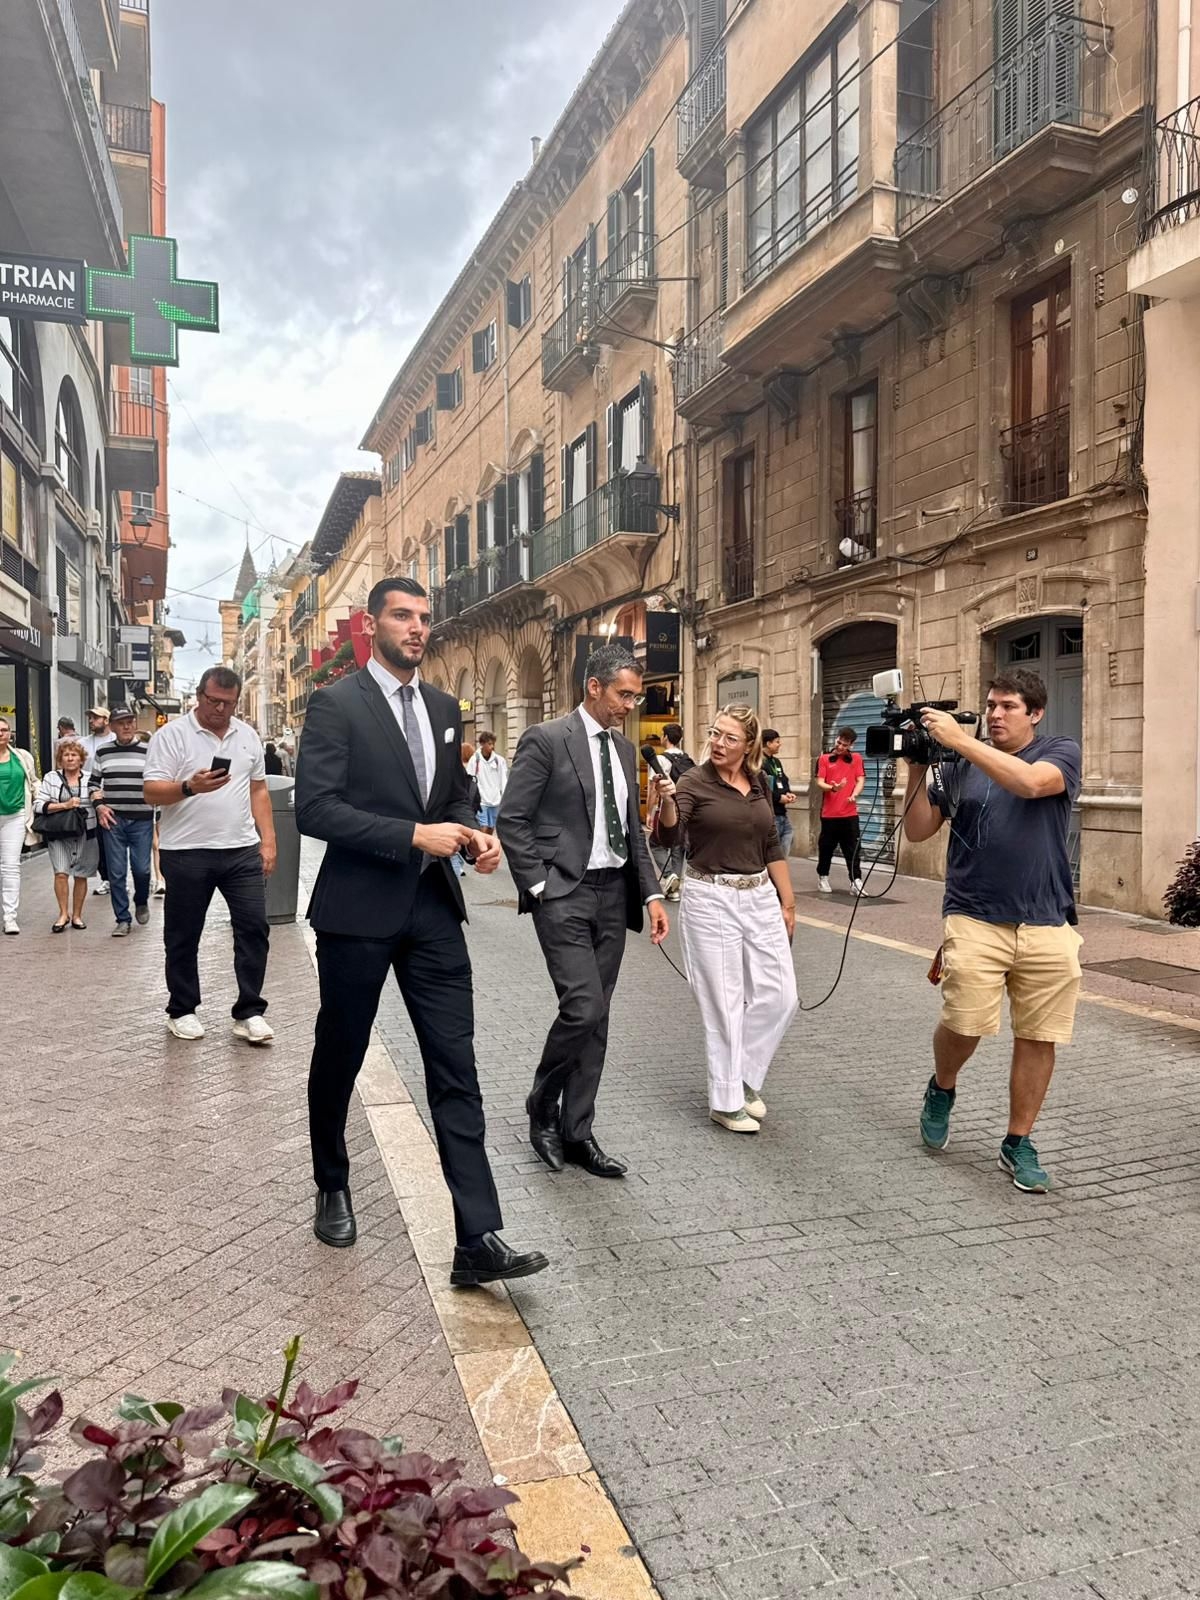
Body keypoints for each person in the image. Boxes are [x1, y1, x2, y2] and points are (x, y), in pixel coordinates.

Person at [296, 576, 547, 1286]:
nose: (416, 627)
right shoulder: (335, 703)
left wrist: (473, 834)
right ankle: (332, 1181)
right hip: (357, 911)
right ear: (370, 625)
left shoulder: (443, 707)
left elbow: (453, 795)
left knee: (455, 1066)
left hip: (433, 912)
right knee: (339, 1052)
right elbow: (316, 809)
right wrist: (414, 834)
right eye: (401, 616)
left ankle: (477, 1236)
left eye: (423, 617)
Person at [902, 668, 1082, 1193]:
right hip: (974, 914)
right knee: (965, 1021)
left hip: (1047, 918)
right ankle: (942, 1086)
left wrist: (960, 740)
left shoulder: (1060, 750)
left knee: (1039, 1034)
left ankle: (1018, 1142)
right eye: (991, 705)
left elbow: (1029, 784)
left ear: (1036, 713)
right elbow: (916, 832)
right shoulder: (959, 764)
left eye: (1008, 706)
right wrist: (919, 767)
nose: (996, 715)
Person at [497, 643, 668, 1179]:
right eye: (623, 694)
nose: (629, 705)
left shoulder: (621, 748)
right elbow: (513, 819)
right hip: (565, 895)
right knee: (583, 1008)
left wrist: (652, 892)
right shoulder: (546, 739)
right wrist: (541, 885)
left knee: (599, 1021)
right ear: (593, 687)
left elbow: (633, 829)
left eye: (635, 696)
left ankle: (577, 1132)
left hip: (613, 896)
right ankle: (541, 1106)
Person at [654, 705, 797, 1133]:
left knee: (781, 995)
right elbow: (669, 835)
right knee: (725, 1001)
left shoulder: (760, 782)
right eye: (715, 733)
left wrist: (787, 902)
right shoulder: (694, 781)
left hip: (760, 896)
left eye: (729, 738)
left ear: (748, 745)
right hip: (710, 896)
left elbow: (770, 841)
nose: (718, 743)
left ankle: (746, 1076)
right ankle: (725, 1098)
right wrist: (665, 805)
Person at [143, 666, 276, 1045]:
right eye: (212, 700)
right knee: (183, 934)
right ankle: (182, 1009)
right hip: (185, 852)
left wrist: (269, 841)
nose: (219, 709)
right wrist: (189, 786)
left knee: (254, 928)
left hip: (240, 851)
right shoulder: (172, 736)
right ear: (199, 694)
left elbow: (259, 792)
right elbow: (151, 792)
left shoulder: (247, 735)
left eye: (228, 703)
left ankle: (249, 1012)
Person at [91, 706, 154, 938]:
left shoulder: (149, 751)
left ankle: (141, 900)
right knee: (116, 873)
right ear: (113, 726)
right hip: (113, 820)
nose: (126, 726)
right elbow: (93, 784)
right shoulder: (103, 752)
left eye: (130, 721)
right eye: (121, 722)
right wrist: (99, 806)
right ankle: (123, 919)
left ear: (135, 724)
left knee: (142, 869)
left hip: (142, 820)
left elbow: (159, 781)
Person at [34, 739, 101, 931]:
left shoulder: (92, 778)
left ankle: (77, 916)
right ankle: (63, 914)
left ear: (81, 760)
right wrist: (64, 805)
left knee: (81, 875)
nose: (70, 758)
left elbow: (101, 802)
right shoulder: (51, 778)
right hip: (59, 832)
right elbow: (38, 805)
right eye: (66, 755)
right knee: (61, 873)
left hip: (86, 833)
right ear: (60, 759)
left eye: (74, 755)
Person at [815, 726, 866, 894]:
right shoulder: (824, 759)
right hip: (829, 814)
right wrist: (833, 788)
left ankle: (856, 881)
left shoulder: (856, 759)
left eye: (845, 745)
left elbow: (860, 779)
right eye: (839, 742)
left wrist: (854, 794)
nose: (840, 747)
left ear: (851, 745)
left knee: (853, 849)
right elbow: (820, 782)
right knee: (826, 848)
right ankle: (823, 877)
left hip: (850, 813)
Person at [0, 715, 37, 935]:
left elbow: (33, 782)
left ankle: (9, 917)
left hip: (15, 817)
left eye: (4, 730)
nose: (1, 734)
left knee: (11, 867)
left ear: (10, 733)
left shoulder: (22, 757)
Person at [650, 722, 694, 900]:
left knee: (656, 844)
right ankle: (674, 890)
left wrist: (650, 811)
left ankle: (669, 876)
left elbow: (654, 787)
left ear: (666, 737)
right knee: (678, 846)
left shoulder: (660, 759)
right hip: (685, 808)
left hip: (667, 807)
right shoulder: (687, 758)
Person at [79, 707, 113, 896]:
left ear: (106, 720)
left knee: (112, 840)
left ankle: (117, 878)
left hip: (111, 797)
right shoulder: (82, 743)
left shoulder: (114, 741)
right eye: (90, 717)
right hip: (87, 797)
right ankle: (106, 878)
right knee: (96, 841)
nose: (91, 720)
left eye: (96, 717)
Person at [761, 730, 797, 862]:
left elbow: (783, 780)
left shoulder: (776, 762)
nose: (779, 744)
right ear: (768, 743)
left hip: (782, 814)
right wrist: (778, 798)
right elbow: (764, 788)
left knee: (788, 839)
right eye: (777, 742)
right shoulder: (759, 763)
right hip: (771, 814)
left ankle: (778, 876)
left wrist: (788, 793)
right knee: (771, 854)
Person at [466, 730, 508, 834]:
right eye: (489, 744)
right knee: (482, 827)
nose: (492, 746)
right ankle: (481, 849)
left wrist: (505, 797)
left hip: (495, 800)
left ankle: (487, 848)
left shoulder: (499, 760)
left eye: (493, 743)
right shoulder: (475, 760)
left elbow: (503, 780)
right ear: (482, 744)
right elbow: (469, 779)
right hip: (481, 800)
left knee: (491, 828)